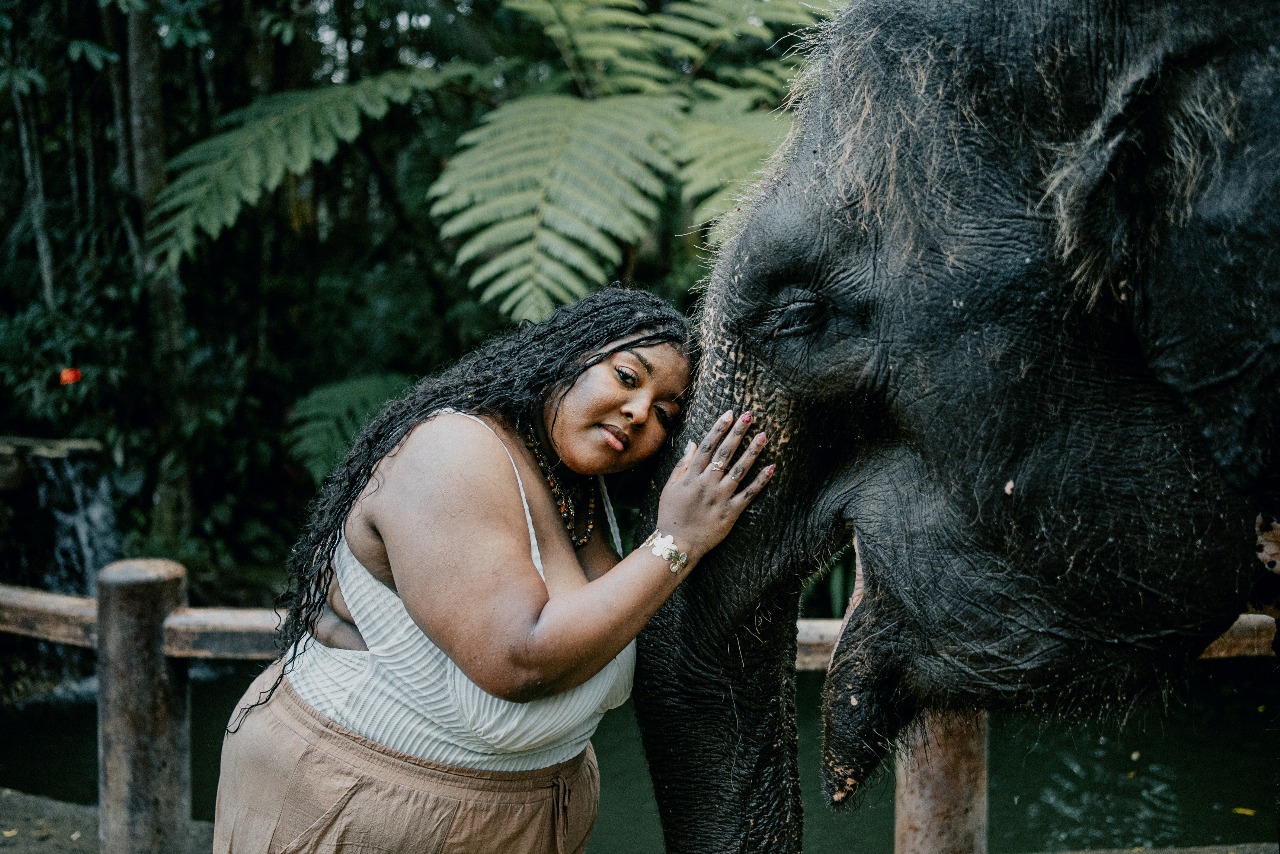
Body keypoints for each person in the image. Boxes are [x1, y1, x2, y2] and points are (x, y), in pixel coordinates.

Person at [213, 286, 774, 853]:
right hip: (352, 804)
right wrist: (678, 542)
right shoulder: (451, 450)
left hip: (527, 820)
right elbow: (518, 659)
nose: (638, 412)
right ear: (570, 353)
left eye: (664, 414)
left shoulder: (579, 485)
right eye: (627, 377)